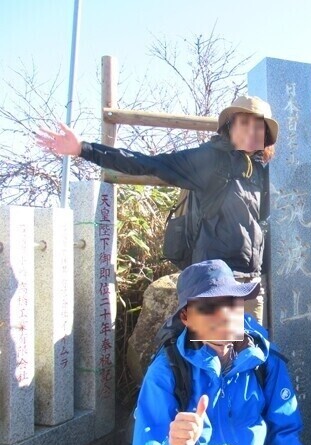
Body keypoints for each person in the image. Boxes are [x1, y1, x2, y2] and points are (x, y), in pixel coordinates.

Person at [36, 96, 276, 322]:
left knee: (253, 357)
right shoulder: (210, 159)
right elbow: (148, 163)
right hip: (213, 280)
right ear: (229, 127)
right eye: (244, 123)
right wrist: (83, 149)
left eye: (259, 126)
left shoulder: (259, 170)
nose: (252, 131)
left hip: (251, 281)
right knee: (211, 360)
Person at [128, 259, 311, 445]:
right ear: (186, 317)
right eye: (210, 306)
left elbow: (284, 431)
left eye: (231, 301)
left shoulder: (262, 359)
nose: (224, 314)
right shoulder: (168, 371)